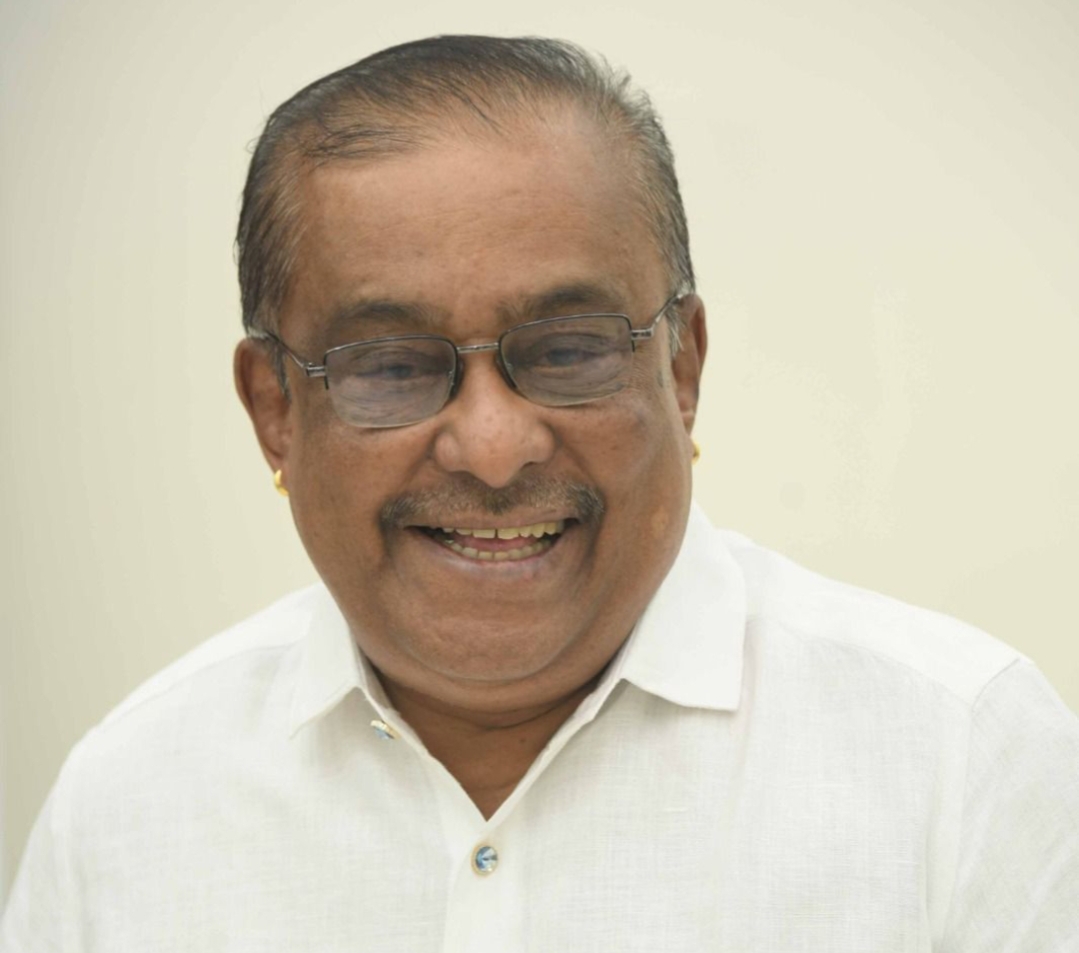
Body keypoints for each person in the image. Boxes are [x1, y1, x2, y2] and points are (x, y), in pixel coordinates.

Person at [2, 34, 1077, 952]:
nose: (491, 446)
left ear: (682, 368)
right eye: (392, 365)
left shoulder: (956, 761)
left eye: (566, 349)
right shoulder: (129, 807)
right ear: (274, 407)